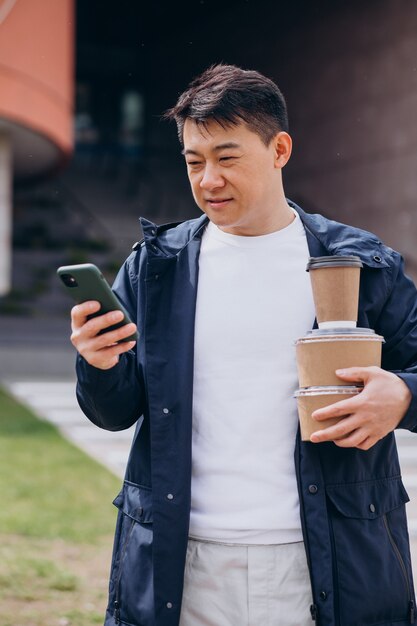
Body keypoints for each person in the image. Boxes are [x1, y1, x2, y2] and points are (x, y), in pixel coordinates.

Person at [71, 64, 417, 626]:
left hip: (325, 558)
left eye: (227, 158)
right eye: (193, 162)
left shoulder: (361, 263)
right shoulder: (155, 267)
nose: (208, 180)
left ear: (279, 149)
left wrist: (401, 395)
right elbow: (113, 412)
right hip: (180, 562)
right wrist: (99, 363)